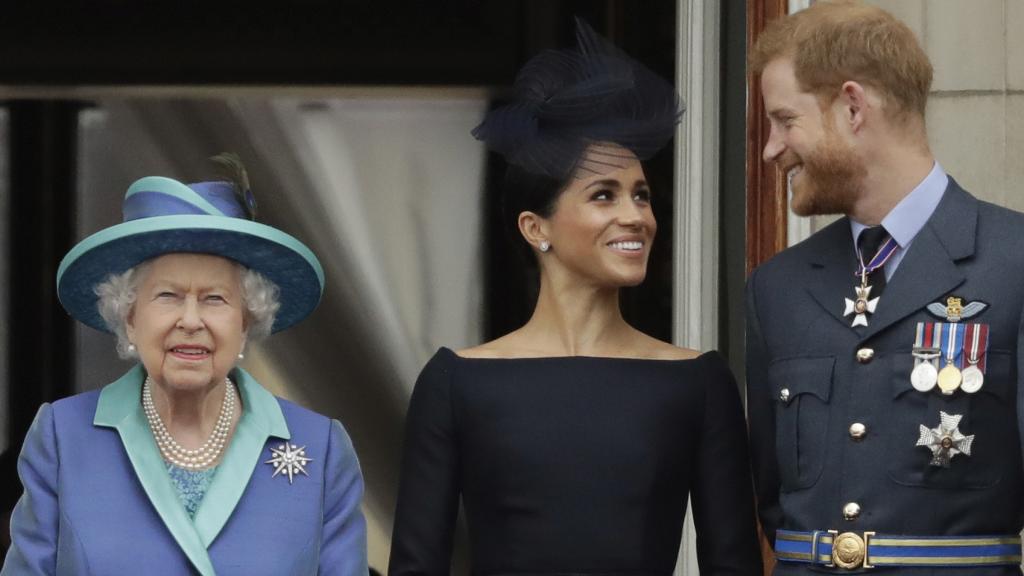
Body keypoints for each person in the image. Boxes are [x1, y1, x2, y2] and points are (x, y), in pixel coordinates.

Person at [389, 19, 761, 575]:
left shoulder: (698, 383)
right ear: (536, 228)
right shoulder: (455, 383)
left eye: (641, 195)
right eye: (603, 195)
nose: (635, 216)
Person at [746, 1, 1024, 573]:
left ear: (852, 107)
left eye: (785, 120)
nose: (771, 148)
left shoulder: (1013, 259)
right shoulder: (777, 286)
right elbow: (772, 496)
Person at [2, 156, 367, 575]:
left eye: (215, 298)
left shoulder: (320, 449)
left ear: (246, 321)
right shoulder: (62, 438)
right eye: (168, 296)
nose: (191, 320)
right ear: (130, 318)